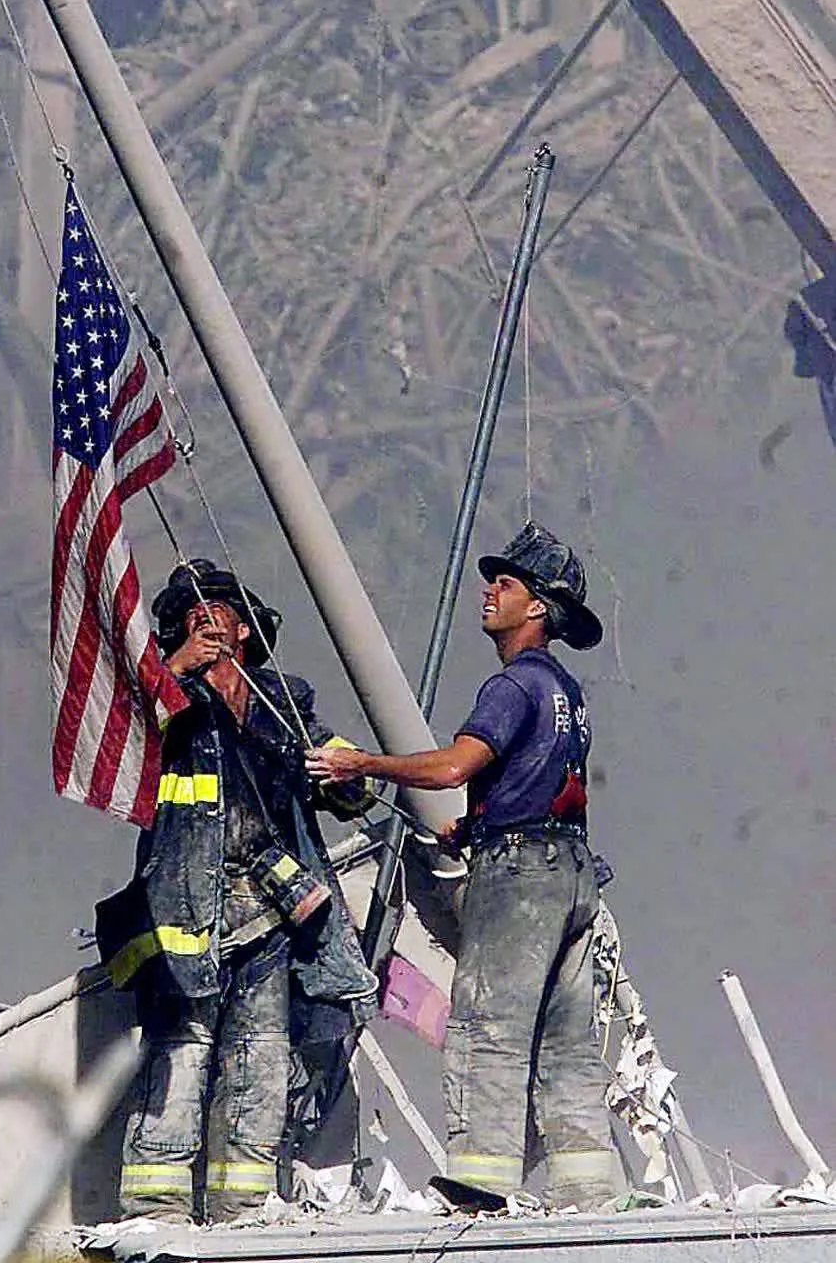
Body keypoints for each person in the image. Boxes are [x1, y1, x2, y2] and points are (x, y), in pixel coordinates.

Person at [307, 521, 619, 1213]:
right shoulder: (566, 691)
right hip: (570, 871)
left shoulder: (512, 686)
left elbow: (453, 766)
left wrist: (359, 763)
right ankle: (590, 1188)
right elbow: (541, 778)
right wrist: (475, 825)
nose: (489, 591)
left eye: (505, 583)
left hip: (520, 878)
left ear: (536, 606)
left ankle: (482, 1181)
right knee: (565, 1038)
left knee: (488, 1027)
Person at [98, 560, 377, 1225]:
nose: (201, 614)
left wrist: (343, 777)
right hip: (184, 909)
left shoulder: (285, 704)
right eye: (187, 611)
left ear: (245, 628)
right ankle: (156, 1207)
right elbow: (121, 743)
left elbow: (353, 791)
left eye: (215, 605)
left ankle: (241, 1206)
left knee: (261, 1062)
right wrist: (175, 670)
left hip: (272, 913)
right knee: (180, 1057)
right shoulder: (161, 700)